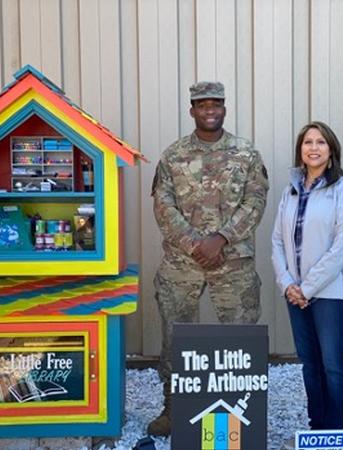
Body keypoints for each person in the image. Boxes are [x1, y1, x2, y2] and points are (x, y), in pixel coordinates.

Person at [149, 81, 269, 436]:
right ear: (192, 111)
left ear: (225, 109)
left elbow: (256, 202)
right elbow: (163, 206)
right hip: (181, 265)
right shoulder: (173, 156)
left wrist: (221, 238)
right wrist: (194, 244)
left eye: (216, 103)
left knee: (240, 342)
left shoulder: (246, 153)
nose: (210, 110)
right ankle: (174, 409)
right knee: (175, 337)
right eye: (203, 105)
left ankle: (241, 416)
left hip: (233, 264)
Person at [271, 121, 343, 445]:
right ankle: (317, 427)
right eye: (307, 142)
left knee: (334, 365)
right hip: (294, 293)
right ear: (300, 149)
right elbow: (278, 241)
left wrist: (306, 288)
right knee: (310, 364)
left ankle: (336, 432)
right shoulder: (290, 190)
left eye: (320, 142)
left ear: (331, 149)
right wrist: (286, 284)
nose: (313, 147)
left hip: (332, 292)